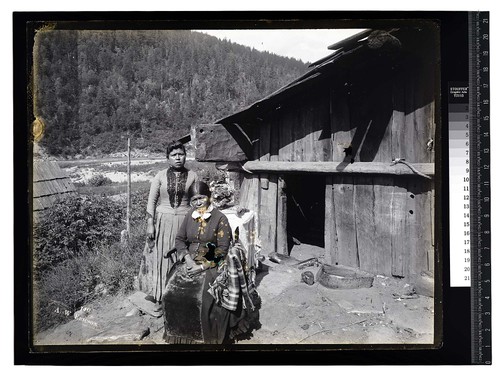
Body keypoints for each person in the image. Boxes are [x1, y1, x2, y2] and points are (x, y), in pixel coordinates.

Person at [161, 181, 252, 344]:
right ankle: (179, 334)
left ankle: (207, 336)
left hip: (212, 263)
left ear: (209, 197)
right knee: (170, 294)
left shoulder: (220, 218)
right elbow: (180, 239)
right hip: (189, 261)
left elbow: (223, 249)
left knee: (202, 298)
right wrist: (188, 260)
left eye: (201, 198)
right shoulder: (190, 215)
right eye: (194, 199)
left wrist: (201, 266)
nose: (198, 202)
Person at [138, 140, 197, 307]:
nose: (178, 158)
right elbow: (151, 201)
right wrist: (151, 224)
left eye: (181, 154)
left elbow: (197, 201)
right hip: (163, 221)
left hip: (185, 221)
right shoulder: (160, 176)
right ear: (168, 158)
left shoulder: (193, 176)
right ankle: (160, 294)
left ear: (185, 156)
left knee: (183, 256)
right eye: (174, 155)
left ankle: (179, 295)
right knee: (162, 257)